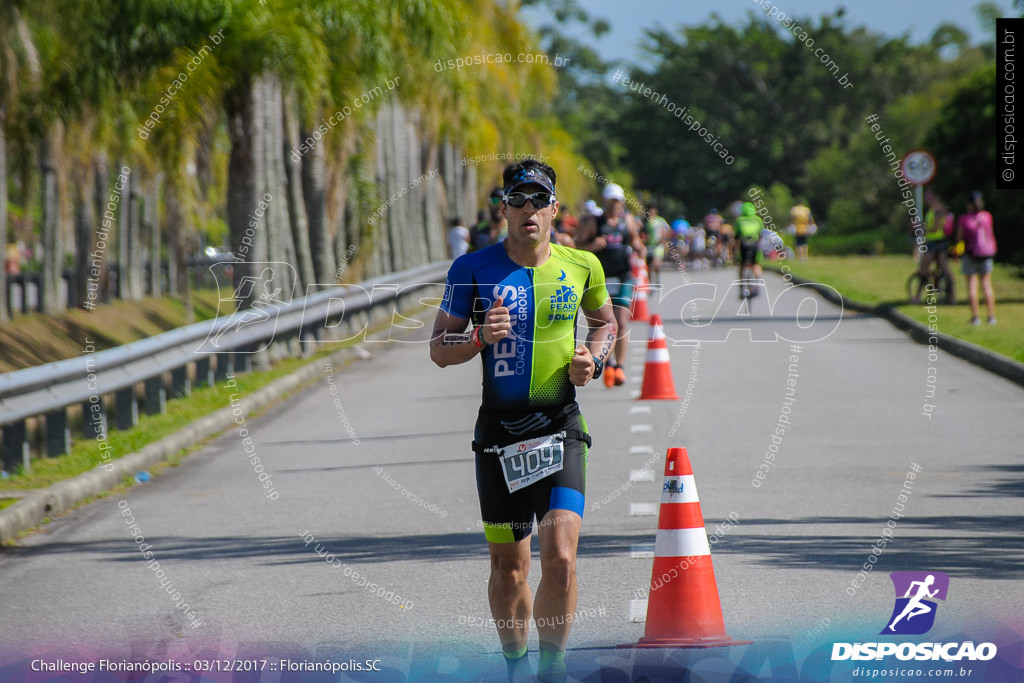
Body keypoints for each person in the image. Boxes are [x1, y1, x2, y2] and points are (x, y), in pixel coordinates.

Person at [430, 160, 617, 683]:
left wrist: (594, 362)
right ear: (503, 208)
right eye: (519, 200)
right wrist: (476, 339)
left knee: (560, 556)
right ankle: (516, 668)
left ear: (556, 209)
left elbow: (604, 321)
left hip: (560, 426)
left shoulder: (583, 265)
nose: (529, 210)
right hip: (500, 435)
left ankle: (552, 669)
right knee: (509, 568)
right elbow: (438, 350)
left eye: (540, 200)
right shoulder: (472, 269)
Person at [576, 183, 645, 388]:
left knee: (622, 322)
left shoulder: (627, 220)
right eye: (611, 202)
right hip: (600, 278)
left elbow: (634, 240)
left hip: (623, 276)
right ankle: (607, 363)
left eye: (618, 202)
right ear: (605, 202)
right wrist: (592, 246)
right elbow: (577, 246)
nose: (615, 206)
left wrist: (640, 248)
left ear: (622, 203)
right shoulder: (593, 222)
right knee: (605, 322)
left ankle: (619, 367)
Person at [957, 191, 997, 325]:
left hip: (970, 254)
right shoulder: (987, 216)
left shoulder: (964, 219)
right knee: (986, 285)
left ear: (969, 204)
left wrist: (958, 252)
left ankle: (975, 317)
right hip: (986, 254)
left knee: (972, 285)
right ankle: (991, 316)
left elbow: (960, 239)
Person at [912, 192, 956, 305]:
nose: (927, 200)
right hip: (934, 242)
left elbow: (935, 228)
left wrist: (922, 228)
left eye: (929, 198)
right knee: (935, 269)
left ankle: (918, 296)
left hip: (936, 243)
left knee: (925, 268)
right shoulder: (934, 210)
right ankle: (947, 296)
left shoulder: (938, 210)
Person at [733, 202, 764, 297]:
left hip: (744, 245)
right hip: (755, 245)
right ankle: (757, 283)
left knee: (742, 265)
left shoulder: (739, 221)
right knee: (756, 265)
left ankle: (742, 288)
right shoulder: (758, 220)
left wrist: (735, 254)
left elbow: (736, 238)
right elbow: (761, 236)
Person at [644, 204, 670, 284]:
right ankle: (650, 282)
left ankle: (657, 277)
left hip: (658, 245)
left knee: (656, 264)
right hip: (649, 246)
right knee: (649, 266)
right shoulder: (646, 222)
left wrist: (663, 240)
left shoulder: (660, 221)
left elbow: (667, 231)